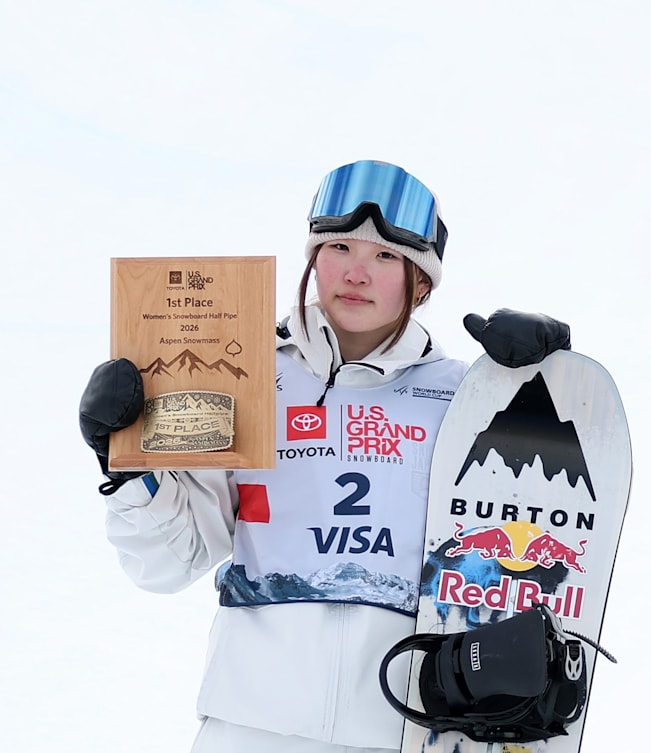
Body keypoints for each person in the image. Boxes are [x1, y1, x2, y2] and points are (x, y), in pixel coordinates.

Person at [78, 160, 572, 753]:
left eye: (385, 256)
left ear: (421, 282)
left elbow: (534, 524)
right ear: (314, 259)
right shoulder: (243, 379)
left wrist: (548, 379)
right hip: (252, 727)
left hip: (407, 724)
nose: (356, 273)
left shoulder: (462, 397)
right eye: (338, 247)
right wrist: (129, 469)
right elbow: (168, 564)